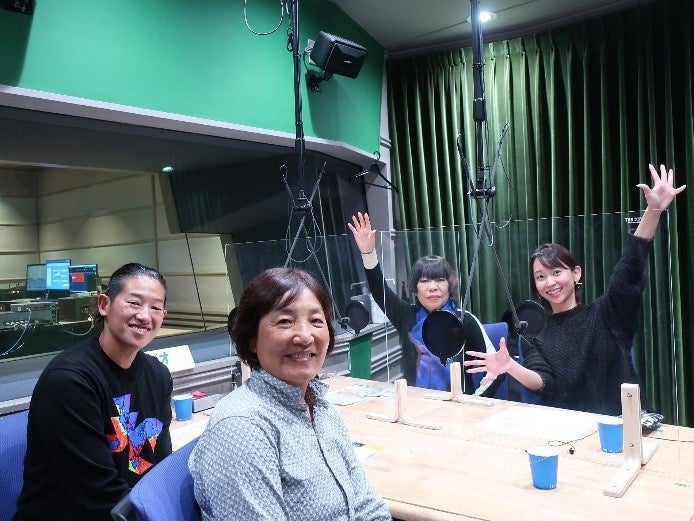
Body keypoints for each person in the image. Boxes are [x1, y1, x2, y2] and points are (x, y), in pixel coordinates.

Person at [465, 164, 685, 415]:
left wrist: (653, 212)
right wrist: (510, 367)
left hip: (622, 423)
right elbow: (543, 382)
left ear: (576, 273)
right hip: (570, 426)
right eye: (540, 277)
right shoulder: (535, 332)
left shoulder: (607, 313)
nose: (550, 282)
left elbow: (628, 271)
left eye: (557, 272)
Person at [189, 267, 391, 521]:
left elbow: (365, 503)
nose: (305, 337)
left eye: (316, 321)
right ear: (252, 339)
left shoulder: (320, 407)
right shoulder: (242, 427)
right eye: (285, 321)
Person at [13, 263, 173, 521]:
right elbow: (99, 496)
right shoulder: (70, 382)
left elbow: (162, 467)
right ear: (104, 305)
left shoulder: (158, 375)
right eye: (134, 303)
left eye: (155, 308)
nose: (145, 316)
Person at [348, 213, 497, 395]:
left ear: (449, 286)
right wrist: (368, 253)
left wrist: (473, 401)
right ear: (415, 288)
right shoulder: (405, 315)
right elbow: (380, 291)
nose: (432, 287)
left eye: (440, 280)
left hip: (457, 405)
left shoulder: (465, 320)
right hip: (415, 402)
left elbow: (495, 369)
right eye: (424, 281)